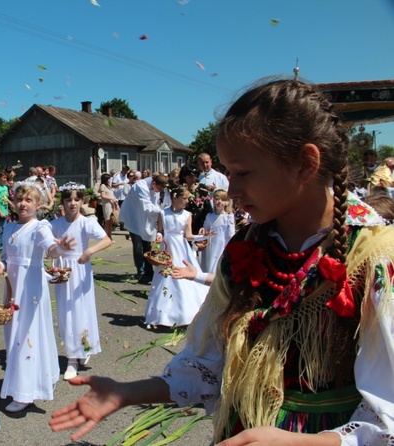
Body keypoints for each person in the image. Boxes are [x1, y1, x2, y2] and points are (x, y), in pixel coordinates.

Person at [49, 78, 394, 444]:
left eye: (243, 172)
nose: (231, 190)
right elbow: (208, 366)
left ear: (305, 164)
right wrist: (125, 392)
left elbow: (386, 411)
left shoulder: (374, 258)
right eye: (228, 172)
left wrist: (305, 441)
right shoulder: (246, 248)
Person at [0, 181, 75, 413]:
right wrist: (0, 265)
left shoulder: (40, 227)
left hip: (30, 291)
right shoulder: (9, 227)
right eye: (19, 200)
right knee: (13, 336)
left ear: (38, 204)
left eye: (29, 200)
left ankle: (25, 392)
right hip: (13, 288)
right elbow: (6, 257)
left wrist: (61, 248)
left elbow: (51, 249)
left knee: (27, 334)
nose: (23, 204)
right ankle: (23, 381)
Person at [51, 183, 112, 380]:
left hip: (81, 269)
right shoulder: (56, 224)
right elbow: (48, 249)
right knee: (65, 311)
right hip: (64, 271)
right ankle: (73, 353)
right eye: (68, 200)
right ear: (63, 202)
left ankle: (78, 352)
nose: (72, 203)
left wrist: (89, 251)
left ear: (82, 201)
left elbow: (106, 239)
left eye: (76, 199)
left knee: (80, 310)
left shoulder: (86, 222)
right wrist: (56, 253)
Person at [144, 186, 209, 329]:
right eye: (184, 198)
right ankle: (163, 314)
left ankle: (186, 314)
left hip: (181, 248)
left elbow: (189, 236)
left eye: (187, 198)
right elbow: (160, 231)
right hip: (167, 248)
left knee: (183, 278)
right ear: (175, 197)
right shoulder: (163, 213)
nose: (187, 201)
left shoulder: (187, 215)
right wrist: (159, 238)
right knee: (165, 279)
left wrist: (205, 235)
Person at [118, 174, 168, 285]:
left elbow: (155, 203)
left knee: (147, 245)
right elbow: (147, 206)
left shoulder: (155, 187)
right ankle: (141, 272)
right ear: (154, 183)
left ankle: (149, 272)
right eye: (159, 188)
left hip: (145, 219)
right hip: (134, 217)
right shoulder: (140, 186)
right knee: (138, 246)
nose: (159, 191)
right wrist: (163, 211)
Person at [199, 189, 236, 274]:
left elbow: (231, 233)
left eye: (223, 199)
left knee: (218, 265)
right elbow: (205, 229)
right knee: (209, 264)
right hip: (211, 244)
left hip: (222, 244)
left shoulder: (228, 216)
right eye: (217, 199)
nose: (219, 201)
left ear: (227, 202)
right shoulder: (209, 216)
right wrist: (203, 231)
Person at [98, 173, 118, 240]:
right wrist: (111, 198)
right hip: (107, 205)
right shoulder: (103, 186)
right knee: (107, 220)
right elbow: (103, 196)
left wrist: (115, 199)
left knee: (111, 221)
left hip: (112, 204)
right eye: (109, 178)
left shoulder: (109, 186)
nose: (110, 179)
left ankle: (110, 236)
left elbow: (111, 194)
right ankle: (106, 236)